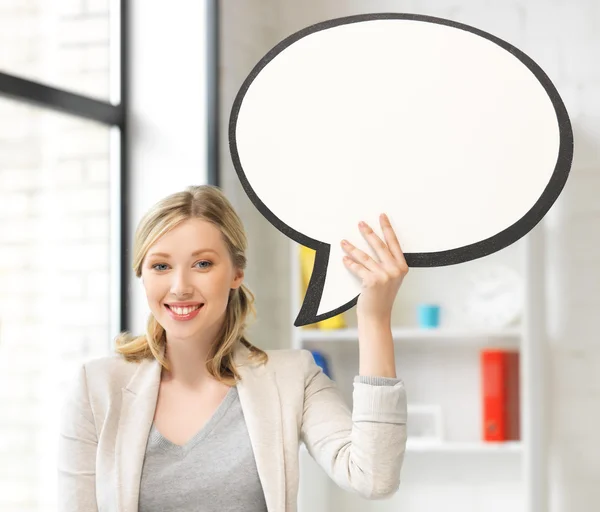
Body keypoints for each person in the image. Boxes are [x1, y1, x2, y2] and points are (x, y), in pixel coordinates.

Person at [58, 185, 408, 512]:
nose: (180, 287)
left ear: (237, 272)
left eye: (203, 264)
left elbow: (373, 476)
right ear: (143, 274)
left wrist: (374, 319)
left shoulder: (293, 378)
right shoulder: (96, 387)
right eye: (161, 266)